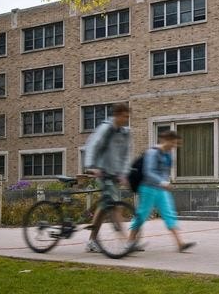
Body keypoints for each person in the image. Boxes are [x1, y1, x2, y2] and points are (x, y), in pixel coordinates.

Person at [128, 130, 195, 252]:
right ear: (166, 140)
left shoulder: (168, 154)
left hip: (161, 189)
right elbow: (148, 172)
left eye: (176, 144)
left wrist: (165, 182)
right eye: (173, 143)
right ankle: (130, 242)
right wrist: (162, 182)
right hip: (148, 188)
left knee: (169, 214)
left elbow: (165, 172)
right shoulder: (152, 152)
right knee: (142, 215)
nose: (174, 146)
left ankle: (180, 244)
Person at [83, 102, 131, 253]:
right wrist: (91, 166)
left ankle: (91, 241)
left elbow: (125, 156)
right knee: (115, 205)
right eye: (124, 116)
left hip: (114, 174)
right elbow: (92, 146)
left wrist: (123, 173)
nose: (126, 119)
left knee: (104, 207)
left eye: (128, 116)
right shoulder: (105, 128)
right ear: (117, 115)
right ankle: (126, 241)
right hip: (102, 172)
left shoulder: (125, 133)